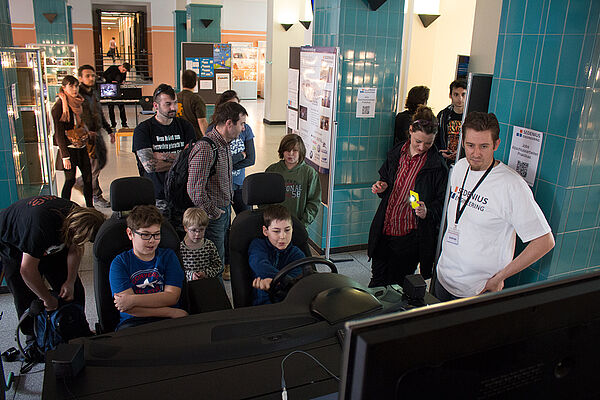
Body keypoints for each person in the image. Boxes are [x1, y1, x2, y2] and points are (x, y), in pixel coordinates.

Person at [434, 112, 555, 302]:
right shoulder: (460, 167)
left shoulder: (511, 185)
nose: (475, 153)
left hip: (478, 290)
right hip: (444, 278)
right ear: (463, 142)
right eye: (470, 145)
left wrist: (500, 278)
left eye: (484, 146)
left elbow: (545, 241)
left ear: (496, 144)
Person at [0, 196, 106, 336]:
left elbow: (75, 248)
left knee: (74, 291)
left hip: (49, 231)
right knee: (26, 295)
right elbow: (27, 270)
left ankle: (78, 329)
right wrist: (47, 299)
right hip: (12, 242)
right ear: (76, 230)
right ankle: (33, 339)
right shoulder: (40, 228)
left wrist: (70, 281)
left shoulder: (77, 215)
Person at [368, 106, 448, 286]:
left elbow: (443, 203)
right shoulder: (397, 153)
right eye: (418, 141)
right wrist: (382, 186)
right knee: (377, 281)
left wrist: (427, 210)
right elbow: (386, 179)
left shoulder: (437, 166)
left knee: (398, 286)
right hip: (385, 229)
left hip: (409, 237)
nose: (422, 147)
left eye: (428, 143)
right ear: (410, 130)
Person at [187, 101, 248, 274]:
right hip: (213, 215)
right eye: (241, 123)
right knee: (215, 262)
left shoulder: (224, 144)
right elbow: (194, 190)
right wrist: (213, 211)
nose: (243, 128)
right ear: (229, 123)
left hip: (223, 209)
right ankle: (216, 297)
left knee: (218, 258)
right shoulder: (206, 148)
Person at [109, 205, 188, 330]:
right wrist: (169, 311)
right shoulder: (120, 263)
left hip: (169, 321)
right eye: (145, 235)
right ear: (130, 233)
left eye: (156, 234)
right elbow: (128, 308)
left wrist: (133, 300)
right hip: (134, 322)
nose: (152, 240)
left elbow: (172, 297)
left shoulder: (168, 257)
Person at [210, 90, 256, 280]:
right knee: (223, 227)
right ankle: (227, 263)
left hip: (239, 184)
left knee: (247, 221)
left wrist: (227, 162)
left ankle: (247, 259)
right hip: (221, 188)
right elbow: (215, 163)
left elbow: (251, 158)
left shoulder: (246, 130)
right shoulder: (212, 134)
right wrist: (238, 157)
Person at [132, 84, 196, 212]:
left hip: (183, 193)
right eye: (168, 104)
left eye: (175, 103)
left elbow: (193, 160)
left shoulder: (186, 126)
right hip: (157, 196)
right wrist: (181, 160)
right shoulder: (143, 130)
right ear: (156, 106)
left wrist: (161, 156)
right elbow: (150, 166)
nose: (173, 108)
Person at [249, 205, 305, 305]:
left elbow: (294, 284)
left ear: (292, 229)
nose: (283, 236)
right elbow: (259, 264)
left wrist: (274, 282)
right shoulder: (258, 245)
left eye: (287, 230)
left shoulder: (297, 254)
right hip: (261, 307)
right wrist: (282, 280)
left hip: (289, 305)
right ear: (265, 231)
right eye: (276, 231)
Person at [76, 64, 115, 208]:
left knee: (101, 162)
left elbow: (100, 113)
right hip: (87, 137)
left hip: (97, 134)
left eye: (92, 75)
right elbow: (77, 117)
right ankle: (95, 194)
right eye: (87, 76)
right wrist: (85, 132)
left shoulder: (94, 93)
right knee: (94, 166)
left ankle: (81, 183)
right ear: (80, 78)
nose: (91, 78)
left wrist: (109, 130)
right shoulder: (77, 96)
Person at [52, 75, 93, 208]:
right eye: (71, 86)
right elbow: (58, 133)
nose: (74, 89)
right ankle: (64, 208)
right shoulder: (59, 107)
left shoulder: (78, 103)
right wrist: (65, 156)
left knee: (88, 179)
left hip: (81, 146)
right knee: (69, 180)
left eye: (76, 86)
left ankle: (90, 207)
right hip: (69, 149)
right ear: (64, 88)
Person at [265, 134, 321, 226]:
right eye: (287, 150)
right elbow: (263, 198)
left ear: (301, 152)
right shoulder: (272, 170)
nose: (290, 153)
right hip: (274, 224)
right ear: (282, 151)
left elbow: (314, 202)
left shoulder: (309, 173)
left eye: (295, 150)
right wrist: (269, 219)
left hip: (299, 224)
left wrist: (303, 223)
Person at [180, 207, 221, 281]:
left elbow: (217, 265)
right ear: (185, 228)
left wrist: (206, 273)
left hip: (206, 284)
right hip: (187, 286)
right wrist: (191, 276)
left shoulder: (209, 245)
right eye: (193, 230)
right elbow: (176, 270)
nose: (197, 234)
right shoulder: (181, 248)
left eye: (201, 230)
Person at [435, 79, 467, 165]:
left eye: (463, 94)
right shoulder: (442, 115)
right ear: (450, 95)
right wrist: (441, 152)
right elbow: (436, 138)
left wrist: (462, 152)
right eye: (456, 94)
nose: (460, 98)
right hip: (444, 162)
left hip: (465, 161)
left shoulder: (471, 117)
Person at [176, 69, 208, 138]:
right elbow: (202, 121)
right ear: (195, 83)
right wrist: (209, 138)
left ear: (182, 82)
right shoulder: (196, 99)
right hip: (194, 138)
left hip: (179, 138)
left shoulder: (175, 98)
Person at [103, 62, 131, 128]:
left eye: (125, 71)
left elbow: (123, 79)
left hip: (118, 89)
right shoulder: (112, 68)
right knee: (111, 107)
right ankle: (113, 123)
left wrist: (123, 81)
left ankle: (124, 123)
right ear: (121, 66)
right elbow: (104, 75)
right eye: (123, 70)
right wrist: (111, 81)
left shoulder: (124, 73)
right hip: (110, 89)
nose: (124, 72)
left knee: (121, 106)